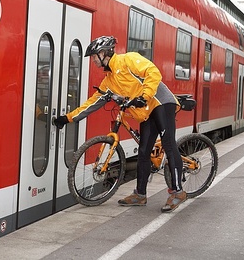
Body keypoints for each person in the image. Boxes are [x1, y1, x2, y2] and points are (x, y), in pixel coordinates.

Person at [53, 36, 186, 213]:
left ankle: (178, 191)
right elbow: (92, 103)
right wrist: (68, 118)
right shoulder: (108, 81)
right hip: (146, 112)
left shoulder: (127, 60)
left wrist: (144, 96)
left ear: (103, 53)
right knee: (144, 151)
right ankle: (140, 194)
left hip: (160, 102)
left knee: (169, 144)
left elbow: (152, 72)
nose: (93, 61)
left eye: (94, 57)